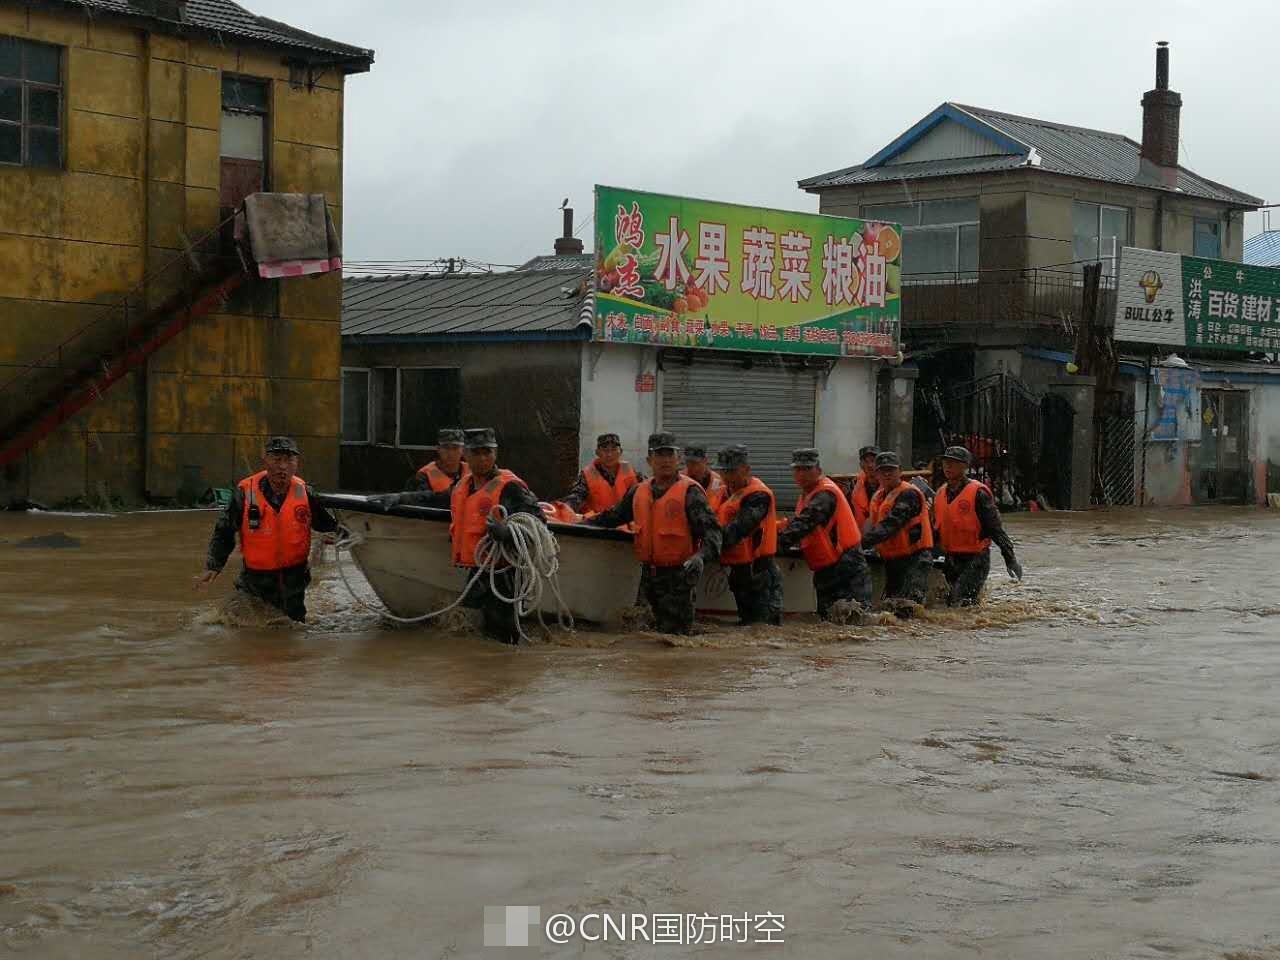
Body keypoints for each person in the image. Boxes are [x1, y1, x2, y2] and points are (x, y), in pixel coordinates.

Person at [586, 432, 722, 635]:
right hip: (647, 579)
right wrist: (580, 522)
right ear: (650, 460)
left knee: (674, 642)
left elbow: (714, 534)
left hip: (678, 580)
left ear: (678, 459)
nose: (665, 460)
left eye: (669, 455)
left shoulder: (690, 493)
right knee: (644, 639)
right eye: (659, 455)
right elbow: (612, 517)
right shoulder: (638, 491)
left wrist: (700, 557)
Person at [194, 436, 340, 622]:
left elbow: (327, 524)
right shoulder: (245, 492)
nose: (283, 466)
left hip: (294, 578)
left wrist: (341, 535)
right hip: (256, 579)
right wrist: (213, 565)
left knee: (293, 628)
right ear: (265, 461)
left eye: (289, 460)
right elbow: (224, 530)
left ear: (297, 463)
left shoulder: (305, 492)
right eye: (277, 459)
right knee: (242, 626)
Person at [449, 427, 545, 644]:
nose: (483, 458)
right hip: (478, 572)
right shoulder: (464, 485)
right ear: (466, 455)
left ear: (496, 454)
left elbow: (538, 523)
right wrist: (400, 498)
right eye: (477, 453)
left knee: (504, 637)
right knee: (469, 632)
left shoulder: (509, 487)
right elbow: (436, 498)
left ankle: (505, 671)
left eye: (488, 452)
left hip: (504, 575)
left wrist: (507, 532)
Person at [778, 448, 871, 620]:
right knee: (828, 619)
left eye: (807, 469)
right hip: (827, 567)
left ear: (818, 471)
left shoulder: (825, 494)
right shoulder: (808, 495)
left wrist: (774, 545)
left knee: (854, 620)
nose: (802, 474)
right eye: (798, 469)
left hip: (846, 564)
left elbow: (804, 524)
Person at [934, 446, 1023, 606]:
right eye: (946, 462)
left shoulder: (978, 493)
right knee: (949, 603)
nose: (948, 466)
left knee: (959, 602)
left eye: (953, 463)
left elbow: (995, 529)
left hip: (975, 559)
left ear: (965, 466)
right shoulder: (940, 493)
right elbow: (936, 529)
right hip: (951, 558)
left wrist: (1010, 559)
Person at [715, 444, 782, 626]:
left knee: (763, 630)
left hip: (760, 573)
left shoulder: (758, 496)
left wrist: (706, 547)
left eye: (733, 472)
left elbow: (737, 530)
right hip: (740, 573)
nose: (728, 478)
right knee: (747, 628)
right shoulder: (722, 492)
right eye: (724, 472)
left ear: (746, 469)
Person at [862, 451, 934, 612]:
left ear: (900, 471)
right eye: (882, 470)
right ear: (876, 474)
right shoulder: (878, 497)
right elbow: (871, 526)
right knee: (890, 608)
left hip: (916, 558)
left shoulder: (909, 494)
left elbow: (891, 524)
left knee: (908, 607)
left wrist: (858, 544)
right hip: (894, 559)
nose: (887, 474)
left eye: (891, 470)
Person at [563, 433, 643, 514]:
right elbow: (575, 498)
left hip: (625, 524)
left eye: (614, 449)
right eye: (605, 450)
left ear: (620, 451)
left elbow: (648, 488)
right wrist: (565, 510)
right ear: (597, 452)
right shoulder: (587, 475)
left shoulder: (631, 472)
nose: (609, 454)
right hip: (595, 524)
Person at [404, 428, 469, 507]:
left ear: (463, 450)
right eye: (446, 448)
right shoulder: (425, 476)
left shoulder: (473, 471)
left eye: (455, 448)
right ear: (438, 449)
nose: (450, 453)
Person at [681, 444, 724, 508]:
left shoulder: (719, 481)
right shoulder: (680, 479)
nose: (690, 467)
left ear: (705, 460)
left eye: (694, 463)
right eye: (688, 462)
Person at [849, 445, 880, 530]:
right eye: (866, 461)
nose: (870, 465)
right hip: (861, 536)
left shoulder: (889, 485)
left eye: (873, 461)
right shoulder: (853, 485)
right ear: (861, 465)